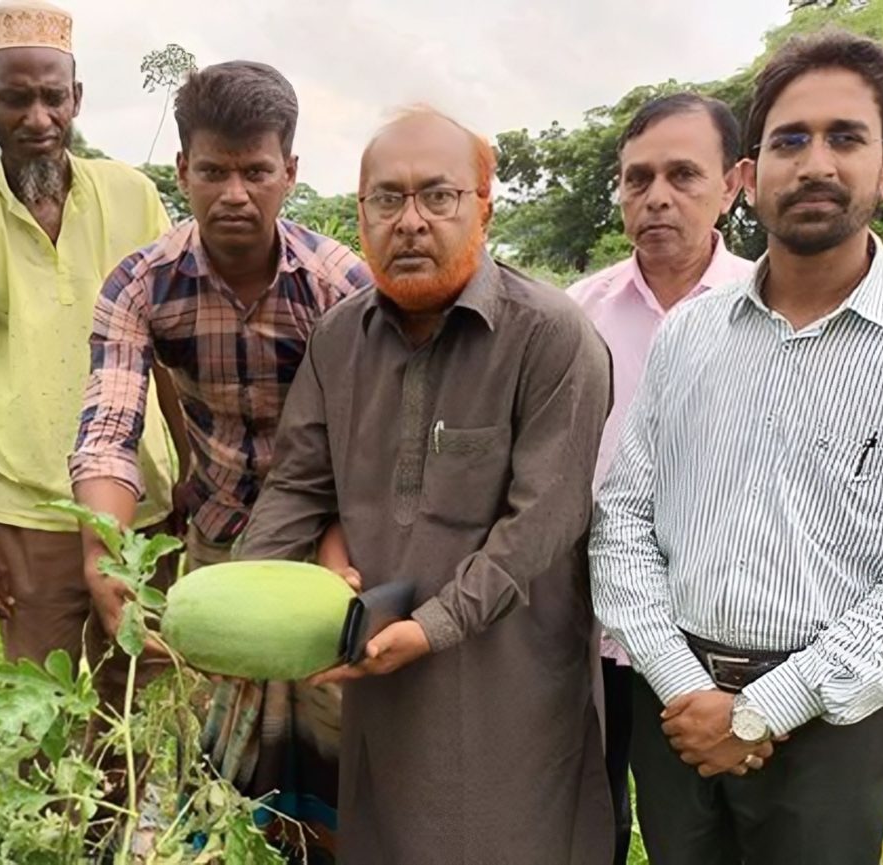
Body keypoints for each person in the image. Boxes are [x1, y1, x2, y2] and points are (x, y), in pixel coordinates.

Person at [591, 29, 883, 865]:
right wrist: (685, 687)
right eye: (790, 141)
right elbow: (623, 518)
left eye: (844, 138)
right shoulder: (691, 334)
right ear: (751, 177)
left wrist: (759, 711)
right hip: (675, 709)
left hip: (832, 727)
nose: (815, 164)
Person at [235, 105, 614, 863]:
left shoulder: (550, 335)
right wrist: (237, 600)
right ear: (361, 214)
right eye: (387, 199)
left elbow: (541, 524)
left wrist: (434, 626)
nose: (410, 221)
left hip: (515, 682)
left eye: (438, 196)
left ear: (484, 207)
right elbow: (299, 485)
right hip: (384, 677)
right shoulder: (340, 339)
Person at [68, 60, 371, 857]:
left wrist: (339, 548)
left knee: (339, 735)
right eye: (213, 171)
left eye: (255, 172)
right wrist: (106, 559)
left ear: (290, 173)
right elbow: (109, 427)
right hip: (220, 537)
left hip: (327, 548)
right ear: (182, 172)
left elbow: (370, 442)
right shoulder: (141, 286)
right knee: (226, 739)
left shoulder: (339, 285)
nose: (234, 194)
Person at [0, 0, 178, 702]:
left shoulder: (133, 197)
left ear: (76, 98)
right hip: (30, 519)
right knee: (40, 716)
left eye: (53, 98)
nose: (38, 119)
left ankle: (120, 791)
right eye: (15, 99)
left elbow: (171, 350)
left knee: (138, 704)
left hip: (142, 506)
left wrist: (192, 479)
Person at [565, 92, 752, 864]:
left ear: (733, 184)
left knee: (709, 839)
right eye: (637, 178)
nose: (657, 197)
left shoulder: (770, 309)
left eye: (683, 175)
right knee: (588, 821)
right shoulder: (575, 317)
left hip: (725, 636)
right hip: (592, 628)